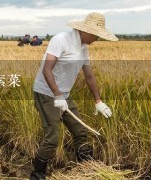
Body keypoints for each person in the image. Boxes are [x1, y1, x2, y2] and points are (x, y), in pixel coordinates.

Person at [31, 12, 118, 179]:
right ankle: (37, 174)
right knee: (52, 138)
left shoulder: (83, 48)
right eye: (97, 35)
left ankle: (85, 170)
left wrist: (98, 101)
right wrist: (57, 95)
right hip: (46, 93)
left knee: (80, 132)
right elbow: (46, 69)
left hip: (64, 94)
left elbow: (89, 76)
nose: (97, 39)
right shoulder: (61, 40)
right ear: (87, 32)